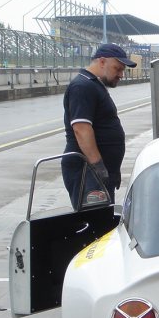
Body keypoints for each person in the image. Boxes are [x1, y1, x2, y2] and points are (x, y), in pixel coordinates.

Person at [62, 43, 137, 206]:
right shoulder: (82, 87)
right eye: (117, 69)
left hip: (96, 172)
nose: (121, 75)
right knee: (95, 221)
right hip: (86, 171)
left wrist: (112, 170)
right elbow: (81, 129)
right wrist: (98, 167)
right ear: (102, 62)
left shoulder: (93, 85)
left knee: (103, 218)